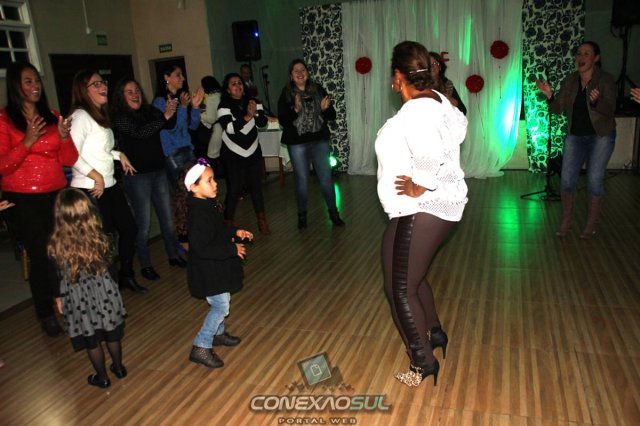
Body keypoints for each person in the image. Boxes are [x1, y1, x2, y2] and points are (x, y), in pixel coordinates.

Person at [375, 41, 468, 387]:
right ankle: (434, 332)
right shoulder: (439, 100)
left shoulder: (416, 110)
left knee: (399, 288)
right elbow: (461, 126)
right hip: (437, 207)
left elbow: (428, 151)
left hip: (420, 207)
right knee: (412, 277)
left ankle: (422, 363)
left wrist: (420, 184)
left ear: (397, 76)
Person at [0, 61, 78, 337]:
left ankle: (67, 302)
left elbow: (69, 159)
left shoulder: (52, 116)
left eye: (37, 80)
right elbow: (3, 166)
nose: (35, 86)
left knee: (63, 252)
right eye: (28, 81)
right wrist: (27, 142)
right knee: (42, 255)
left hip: (55, 193)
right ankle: (46, 312)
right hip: (23, 199)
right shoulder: (5, 120)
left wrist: (65, 137)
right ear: (15, 85)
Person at [69, 70, 147, 294]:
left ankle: (126, 275)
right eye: (96, 84)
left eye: (102, 82)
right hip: (90, 188)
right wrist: (95, 176)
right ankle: (104, 289)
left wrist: (118, 154)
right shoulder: (80, 117)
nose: (103, 86)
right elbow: (70, 154)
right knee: (101, 240)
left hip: (109, 185)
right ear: (83, 90)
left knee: (129, 229)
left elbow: (100, 150)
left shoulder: (99, 116)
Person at [174, 159, 252, 368]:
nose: (215, 184)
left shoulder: (206, 204)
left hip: (214, 268)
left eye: (214, 179)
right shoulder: (198, 214)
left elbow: (217, 231)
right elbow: (202, 248)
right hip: (207, 271)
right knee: (221, 306)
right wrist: (232, 249)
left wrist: (235, 232)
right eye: (209, 181)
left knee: (222, 300)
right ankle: (201, 345)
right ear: (194, 187)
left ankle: (218, 333)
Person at [48, 188, 127, 388]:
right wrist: (114, 288)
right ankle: (119, 368)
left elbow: (55, 275)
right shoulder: (100, 237)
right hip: (104, 292)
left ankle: (102, 377)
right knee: (111, 333)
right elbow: (112, 268)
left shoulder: (56, 244)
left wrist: (58, 297)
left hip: (77, 297)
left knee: (91, 339)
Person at [536, 41, 616, 239]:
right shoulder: (571, 80)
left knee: (594, 181)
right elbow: (557, 109)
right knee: (567, 180)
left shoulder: (606, 79)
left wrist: (596, 102)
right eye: (579, 53)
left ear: (596, 58)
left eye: (587, 53)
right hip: (575, 136)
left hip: (601, 136)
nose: (581, 57)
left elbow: (610, 109)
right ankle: (566, 221)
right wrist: (549, 95)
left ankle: (590, 225)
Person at [111, 78, 187, 281]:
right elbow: (140, 133)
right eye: (129, 92)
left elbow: (168, 124)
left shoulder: (149, 110)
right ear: (121, 96)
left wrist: (171, 111)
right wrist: (165, 116)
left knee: (167, 219)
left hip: (158, 170)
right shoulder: (120, 117)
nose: (135, 94)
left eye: (137, 90)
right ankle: (145, 264)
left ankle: (174, 255)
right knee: (143, 224)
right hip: (137, 177)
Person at [277, 59, 345, 229]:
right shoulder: (286, 94)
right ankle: (302, 216)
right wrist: (295, 110)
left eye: (303, 70)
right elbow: (283, 120)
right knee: (302, 181)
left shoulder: (318, 89)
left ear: (307, 73)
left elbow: (332, 115)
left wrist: (326, 109)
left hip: (319, 140)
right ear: (291, 76)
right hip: (297, 143)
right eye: (296, 71)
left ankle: (334, 213)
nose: (300, 73)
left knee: (326, 179)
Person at [217, 72, 270, 234]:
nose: (238, 86)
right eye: (233, 84)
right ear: (227, 89)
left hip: (253, 151)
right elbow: (230, 129)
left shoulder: (254, 102)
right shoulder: (224, 106)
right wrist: (248, 116)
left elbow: (262, 123)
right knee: (235, 189)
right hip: (232, 152)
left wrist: (255, 113)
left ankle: (262, 221)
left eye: (239, 83)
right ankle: (227, 224)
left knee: (256, 187)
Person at [152, 65, 204, 183]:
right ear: (167, 77)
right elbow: (173, 128)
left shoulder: (181, 98)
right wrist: (183, 107)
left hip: (187, 148)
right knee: (182, 187)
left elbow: (193, 126)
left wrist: (195, 107)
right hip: (173, 152)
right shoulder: (160, 101)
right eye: (178, 75)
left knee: (196, 185)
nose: (183, 78)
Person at [199, 76, 224, 175]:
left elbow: (211, 118)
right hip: (225, 127)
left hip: (217, 129)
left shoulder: (210, 97)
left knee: (211, 155)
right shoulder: (222, 94)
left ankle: (212, 177)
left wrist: (199, 114)